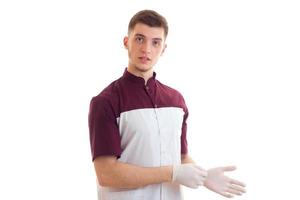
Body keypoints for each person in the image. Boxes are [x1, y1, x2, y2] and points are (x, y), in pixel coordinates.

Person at [88, 9, 246, 200]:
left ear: (163, 49)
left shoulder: (176, 101)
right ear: (126, 42)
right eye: (139, 39)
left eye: (155, 42)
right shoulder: (106, 102)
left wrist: (204, 177)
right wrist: (172, 173)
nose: (146, 49)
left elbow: (180, 157)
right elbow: (107, 173)